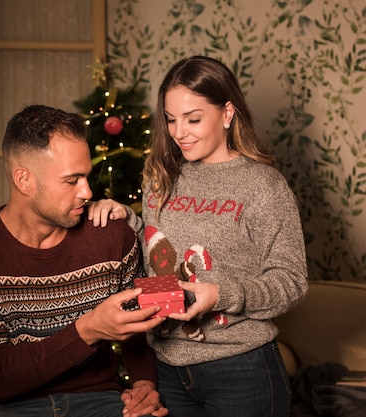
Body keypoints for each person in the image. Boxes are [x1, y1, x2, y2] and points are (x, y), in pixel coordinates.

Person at [88, 55, 309, 417]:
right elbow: (160, 245)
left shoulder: (263, 187)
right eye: (171, 119)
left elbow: (292, 282)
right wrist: (127, 218)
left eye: (193, 119)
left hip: (241, 370)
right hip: (167, 368)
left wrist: (221, 295)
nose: (179, 132)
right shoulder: (160, 175)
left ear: (227, 113)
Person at [0, 104, 169, 417]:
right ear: (24, 180)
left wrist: (144, 384)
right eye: (72, 180)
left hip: (98, 401)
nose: (88, 191)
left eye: (86, 177)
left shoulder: (112, 237)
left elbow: (139, 330)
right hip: (4, 408)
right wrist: (86, 330)